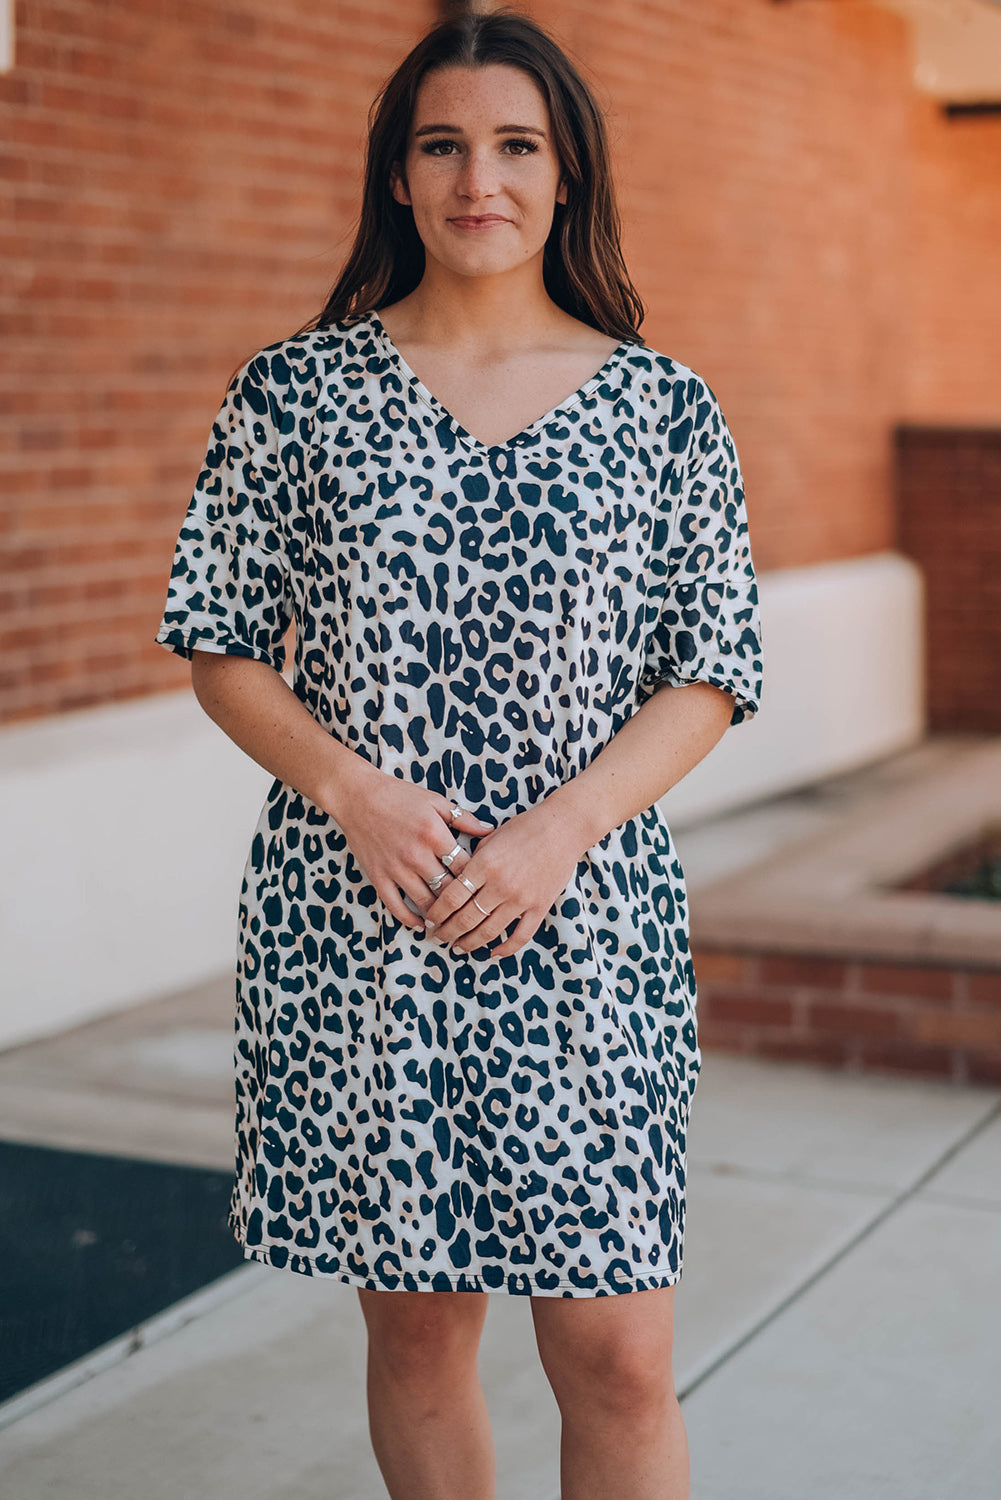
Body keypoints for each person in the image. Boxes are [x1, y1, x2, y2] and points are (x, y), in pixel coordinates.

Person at [154, 9, 763, 1498]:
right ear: (397, 177)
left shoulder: (661, 411)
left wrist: (563, 827)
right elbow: (216, 641)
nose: (474, 178)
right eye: (440, 144)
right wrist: (349, 790)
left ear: (567, 179)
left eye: (512, 145)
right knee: (419, 1335)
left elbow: (714, 670)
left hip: (583, 923)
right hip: (366, 923)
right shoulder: (293, 397)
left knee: (615, 1352)